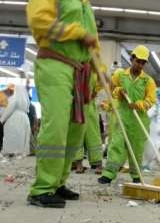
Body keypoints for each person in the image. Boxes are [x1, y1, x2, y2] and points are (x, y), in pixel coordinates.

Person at [27, 0, 99, 208]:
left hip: (80, 70)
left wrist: (99, 67)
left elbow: (93, 43)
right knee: (56, 126)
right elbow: (39, 21)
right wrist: (77, 33)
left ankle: (58, 182)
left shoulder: (85, 4)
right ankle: (42, 188)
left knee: (76, 130)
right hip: (55, 64)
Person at [98, 45, 157, 184]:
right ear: (132, 58)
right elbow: (112, 90)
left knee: (136, 148)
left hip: (139, 120)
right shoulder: (119, 75)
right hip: (122, 116)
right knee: (116, 144)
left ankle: (136, 176)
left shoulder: (148, 81)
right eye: (138, 61)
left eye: (143, 63)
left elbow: (151, 100)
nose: (140, 65)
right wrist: (119, 91)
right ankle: (108, 174)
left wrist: (138, 105)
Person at [73, 71, 104, 174]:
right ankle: (83, 164)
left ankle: (86, 164)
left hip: (84, 106)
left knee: (88, 135)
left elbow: (100, 83)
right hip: (82, 105)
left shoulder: (90, 71)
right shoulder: (83, 70)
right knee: (83, 135)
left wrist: (94, 92)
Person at [0, 85, 31, 159]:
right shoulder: (26, 101)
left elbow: (9, 110)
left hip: (14, 118)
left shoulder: (14, 99)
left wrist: (1, 120)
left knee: (12, 135)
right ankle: (20, 153)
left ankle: (11, 152)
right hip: (25, 119)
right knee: (22, 137)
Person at [0, 83, 15, 153]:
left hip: (7, 118)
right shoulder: (1, 94)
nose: (12, 92)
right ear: (7, 89)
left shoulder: (12, 97)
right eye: (11, 90)